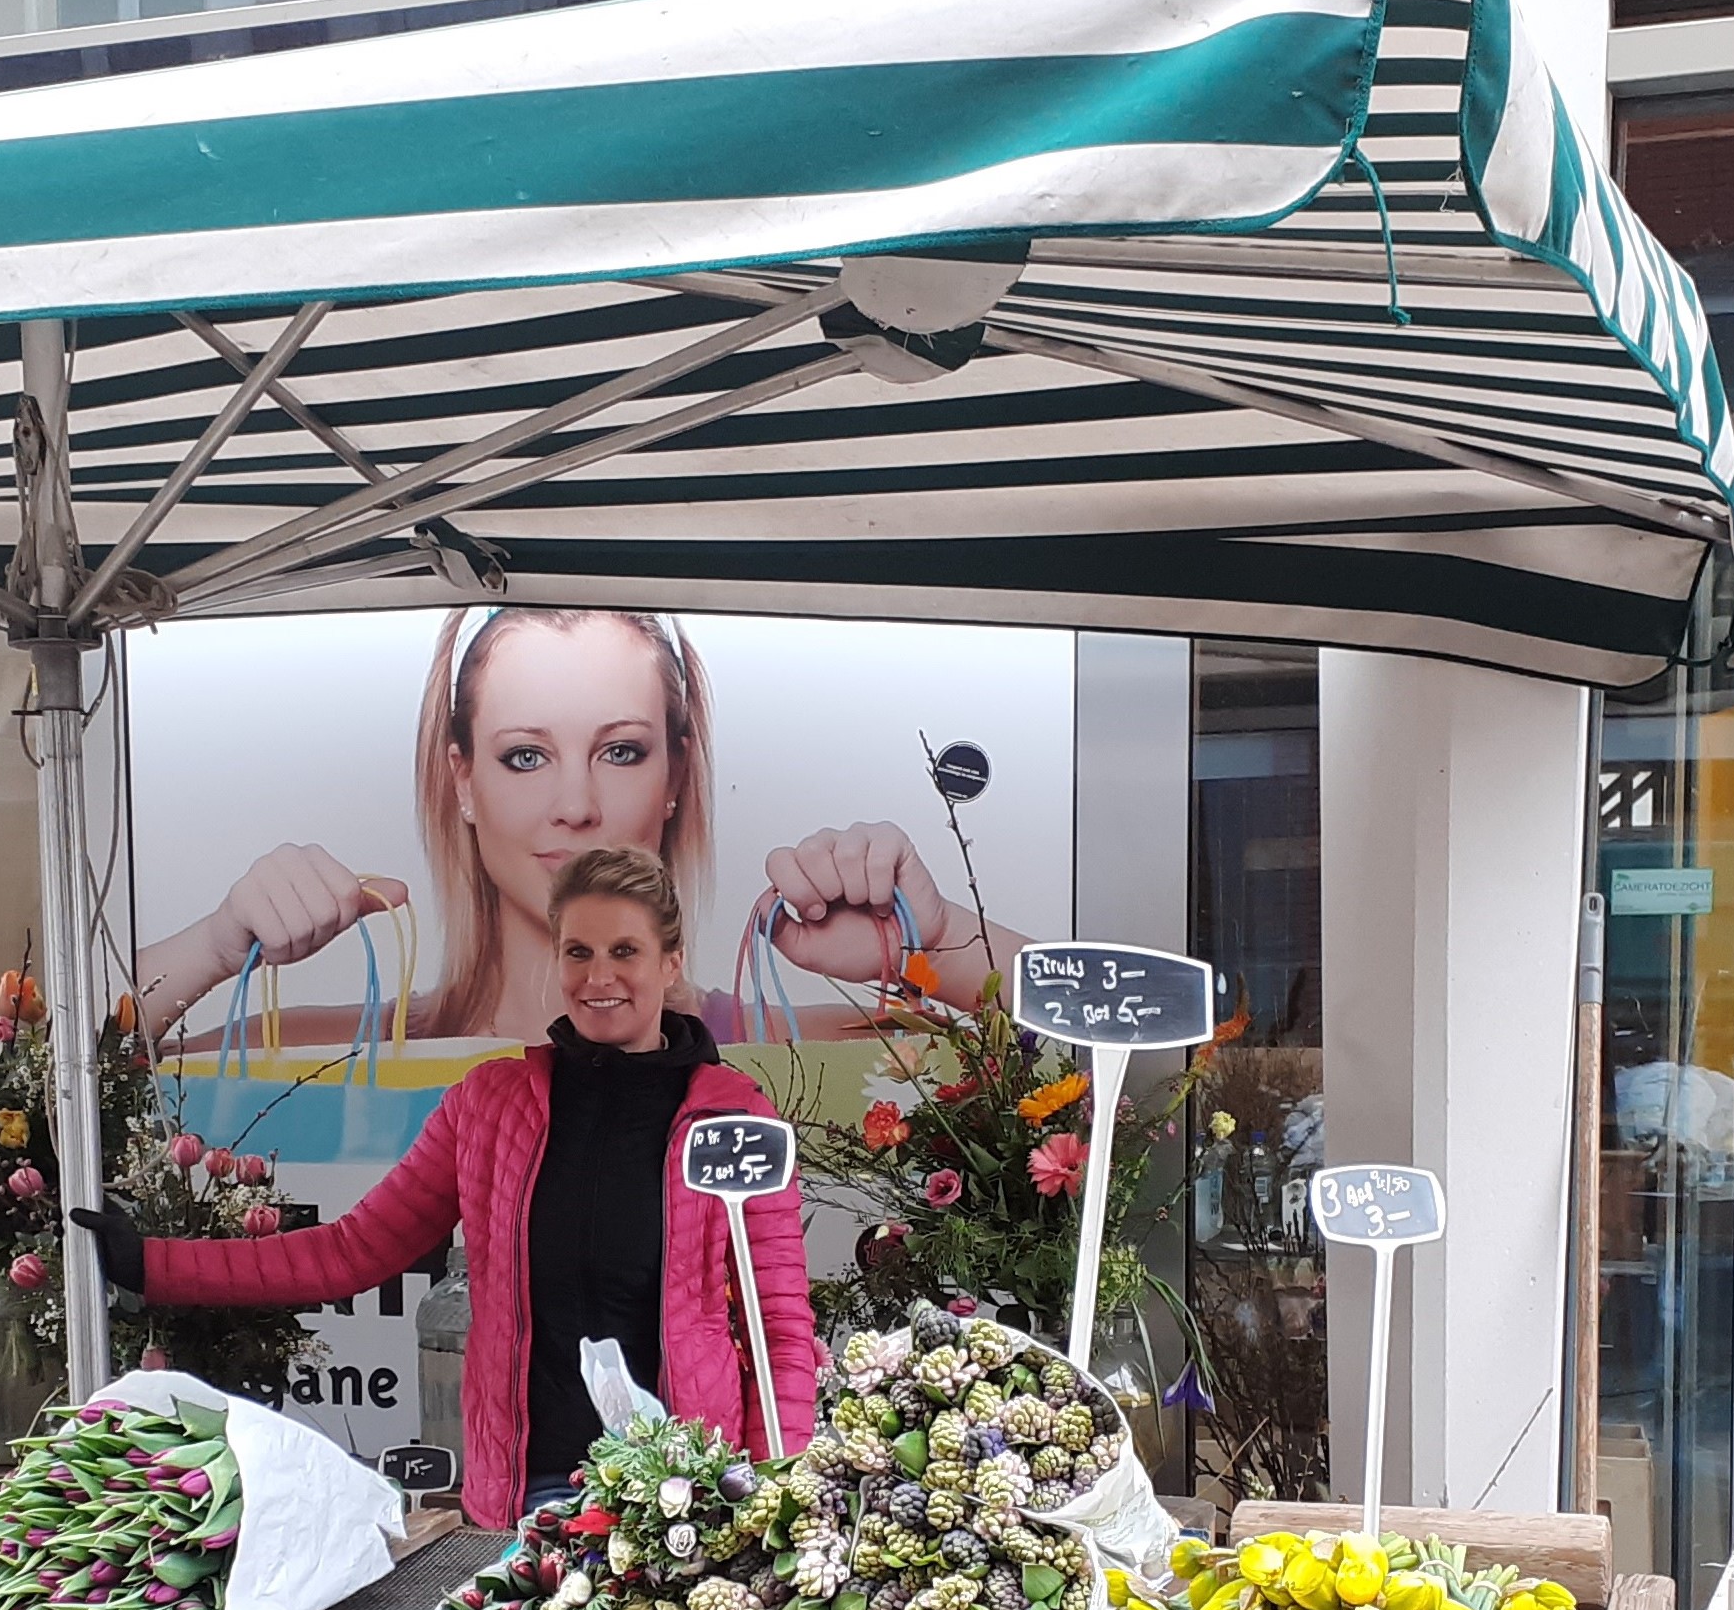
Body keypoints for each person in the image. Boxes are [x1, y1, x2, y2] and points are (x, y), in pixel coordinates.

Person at [77, 846, 824, 1528]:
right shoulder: (487, 1103)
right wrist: (149, 1264)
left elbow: (779, 1331)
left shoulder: (733, 1111)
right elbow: (353, 1251)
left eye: (625, 950)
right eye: (578, 951)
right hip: (534, 1497)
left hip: (685, 1497)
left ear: (671, 962)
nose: (599, 977)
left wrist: (770, 1493)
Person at [133, 606, 1025, 1046]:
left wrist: (932, 945)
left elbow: (1137, 1082)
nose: (575, 805)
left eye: (621, 752)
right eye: (525, 755)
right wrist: (214, 943)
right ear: (463, 781)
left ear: (675, 775)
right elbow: (36, 1097)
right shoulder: (330, 1058)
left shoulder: (775, 1053)